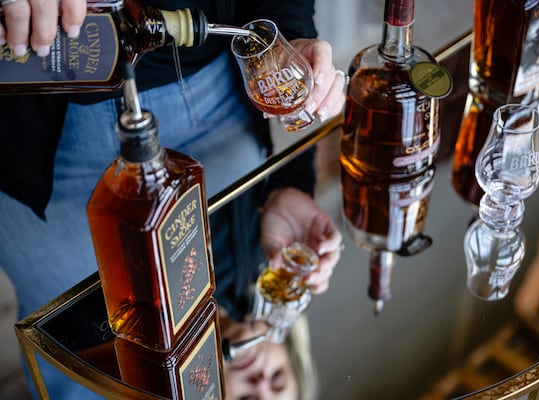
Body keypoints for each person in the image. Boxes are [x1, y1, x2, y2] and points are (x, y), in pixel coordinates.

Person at [0, 0, 345, 398]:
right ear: (290, 352)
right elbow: (281, 146)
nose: (259, 380)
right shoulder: (266, 270)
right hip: (199, 62)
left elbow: (58, 351)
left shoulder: (127, 365)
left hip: (52, 128)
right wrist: (285, 190)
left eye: (249, 399)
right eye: (279, 380)